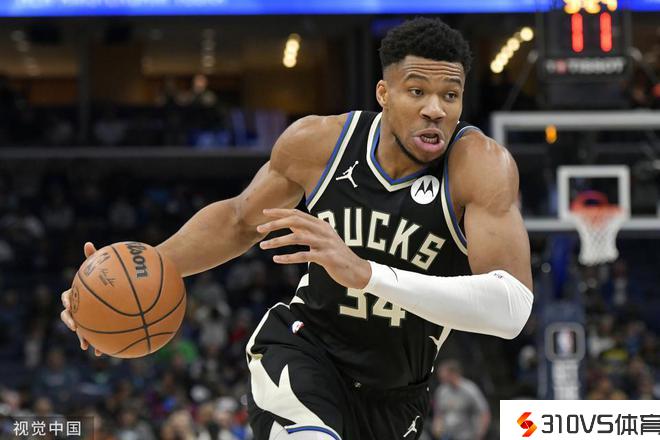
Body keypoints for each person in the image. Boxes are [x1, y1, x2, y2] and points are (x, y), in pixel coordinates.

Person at [59, 17, 534, 440]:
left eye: (450, 95)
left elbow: (512, 307)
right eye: (417, 92)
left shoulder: (480, 166)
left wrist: (367, 274)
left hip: (397, 395)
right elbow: (239, 220)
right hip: (305, 349)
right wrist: (137, 274)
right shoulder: (321, 143)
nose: (436, 109)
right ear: (384, 94)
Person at [431, 360, 490, 440]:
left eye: (444, 376)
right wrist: (437, 427)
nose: (441, 378)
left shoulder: (470, 389)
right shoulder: (441, 391)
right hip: (447, 436)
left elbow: (484, 413)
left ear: (453, 374)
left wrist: (480, 435)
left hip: (467, 436)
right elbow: (438, 414)